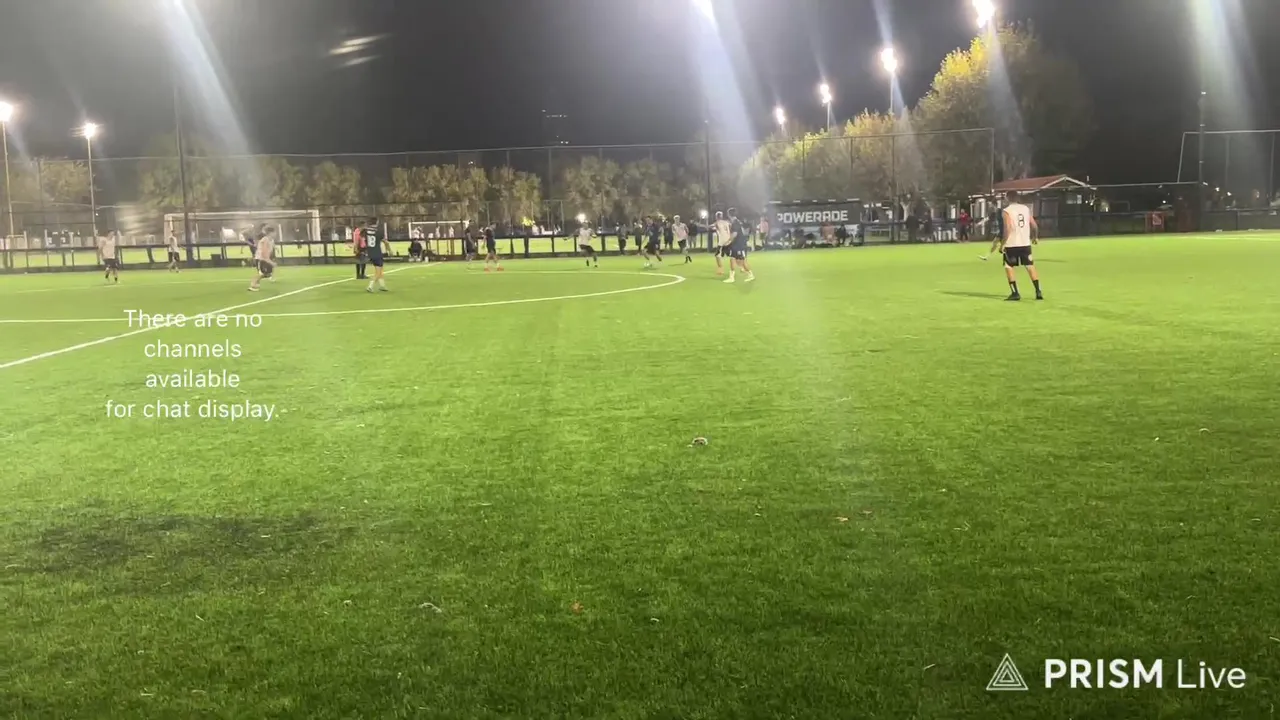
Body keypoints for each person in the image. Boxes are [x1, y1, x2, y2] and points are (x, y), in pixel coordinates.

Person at [993, 192, 1043, 301]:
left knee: (1009, 266)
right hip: (1025, 243)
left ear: (1007, 198)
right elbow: (1034, 225)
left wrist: (1002, 244)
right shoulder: (1025, 208)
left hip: (1011, 244)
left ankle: (1015, 293)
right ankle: (1038, 291)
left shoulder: (1006, 211)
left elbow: (1008, 228)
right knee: (1029, 265)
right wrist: (1035, 237)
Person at [723, 209, 755, 284]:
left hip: (739, 245)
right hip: (736, 244)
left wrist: (727, 242)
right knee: (732, 259)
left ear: (729, 214)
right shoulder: (736, 222)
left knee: (742, 261)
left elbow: (734, 234)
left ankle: (750, 275)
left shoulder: (735, 223)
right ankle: (732, 277)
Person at [363, 217, 391, 292]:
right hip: (377, 253)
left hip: (370, 252)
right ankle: (370, 286)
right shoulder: (378, 231)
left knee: (379, 269)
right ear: (377, 222)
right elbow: (386, 242)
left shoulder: (366, 231)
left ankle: (382, 285)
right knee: (378, 272)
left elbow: (364, 239)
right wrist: (389, 250)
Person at [247, 226, 277, 292]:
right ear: (270, 233)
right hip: (260, 259)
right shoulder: (265, 240)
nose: (275, 234)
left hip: (265, 259)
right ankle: (253, 285)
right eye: (274, 232)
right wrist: (270, 262)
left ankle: (256, 283)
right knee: (261, 273)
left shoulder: (270, 240)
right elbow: (264, 253)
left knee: (267, 273)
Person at [713, 211, 732, 276]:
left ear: (716, 217)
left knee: (717, 255)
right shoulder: (726, 222)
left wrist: (700, 225)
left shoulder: (717, 223)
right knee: (732, 255)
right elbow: (731, 227)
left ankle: (720, 270)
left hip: (722, 241)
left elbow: (709, 227)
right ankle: (742, 267)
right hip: (729, 240)